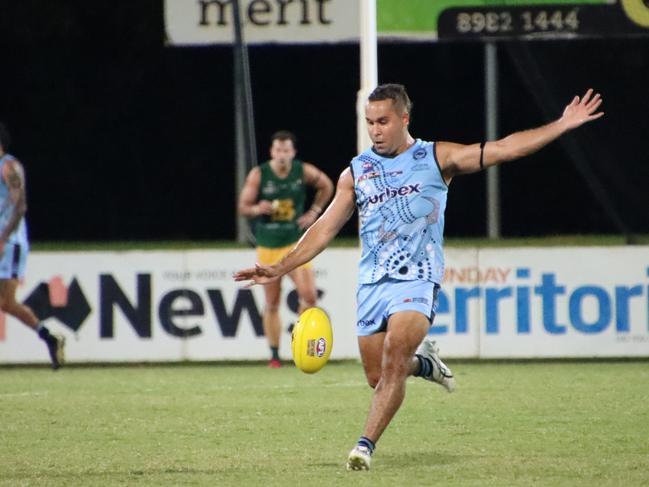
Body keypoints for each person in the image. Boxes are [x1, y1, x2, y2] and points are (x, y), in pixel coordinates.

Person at [234, 84, 604, 469]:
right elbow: (324, 229)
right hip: (372, 284)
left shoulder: (435, 157)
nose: (375, 130)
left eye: (383, 121)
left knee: (395, 356)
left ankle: (364, 446)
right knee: (378, 376)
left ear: (404, 119)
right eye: (369, 122)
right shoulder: (357, 171)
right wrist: (280, 267)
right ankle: (425, 364)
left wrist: (561, 124)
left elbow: (504, 148)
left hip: (417, 280)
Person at [238, 130, 334, 368]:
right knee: (272, 302)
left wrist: (314, 212)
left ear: (293, 152)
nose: (282, 155)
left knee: (309, 296)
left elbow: (327, 185)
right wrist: (257, 208)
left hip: (295, 244)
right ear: (272, 152)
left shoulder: (302, 171)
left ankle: (300, 343)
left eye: (286, 150)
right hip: (269, 245)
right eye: (278, 150)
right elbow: (243, 206)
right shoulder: (260, 174)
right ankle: (274, 355)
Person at [0, 122, 65, 369]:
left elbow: (20, 205)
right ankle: (49, 336)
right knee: (6, 304)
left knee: (6, 301)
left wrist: (4, 238)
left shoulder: (9, 166)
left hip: (10, 244)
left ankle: (48, 336)